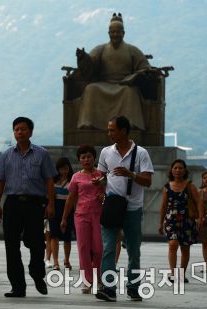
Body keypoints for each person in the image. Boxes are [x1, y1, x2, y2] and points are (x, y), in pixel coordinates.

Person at [0, 116, 56, 298]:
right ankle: (17, 287)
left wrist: (51, 203)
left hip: (34, 204)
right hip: (12, 203)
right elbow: (0, 181)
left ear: (30, 132)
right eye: (16, 130)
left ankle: (37, 274)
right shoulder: (6, 155)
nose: (19, 132)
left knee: (36, 244)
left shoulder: (41, 154)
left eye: (23, 129)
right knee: (11, 246)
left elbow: (49, 180)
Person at [96, 116, 154, 302]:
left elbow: (147, 181)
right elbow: (102, 176)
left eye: (112, 130)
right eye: (109, 129)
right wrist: (99, 182)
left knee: (133, 250)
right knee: (108, 249)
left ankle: (133, 287)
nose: (109, 133)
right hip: (112, 205)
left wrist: (131, 174)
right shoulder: (106, 152)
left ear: (123, 130)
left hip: (132, 207)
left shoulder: (141, 153)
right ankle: (109, 288)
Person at [76, 13, 151, 131]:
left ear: (123, 33)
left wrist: (137, 75)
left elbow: (145, 67)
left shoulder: (132, 50)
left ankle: (129, 124)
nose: (115, 34)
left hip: (124, 85)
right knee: (91, 89)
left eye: (118, 32)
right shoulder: (101, 49)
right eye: (112, 32)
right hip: (104, 83)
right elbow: (91, 65)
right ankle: (88, 123)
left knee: (131, 92)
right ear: (109, 33)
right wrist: (83, 58)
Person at [61, 145, 105, 294]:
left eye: (89, 156)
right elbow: (70, 198)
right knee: (83, 248)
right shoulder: (76, 177)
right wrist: (64, 218)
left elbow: (108, 195)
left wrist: (103, 197)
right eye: (83, 157)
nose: (86, 160)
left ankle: (97, 276)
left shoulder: (101, 175)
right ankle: (87, 281)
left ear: (94, 158)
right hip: (81, 215)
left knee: (98, 249)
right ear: (79, 160)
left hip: (98, 215)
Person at [158, 159, 203, 282]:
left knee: (185, 247)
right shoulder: (167, 187)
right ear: (171, 171)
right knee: (172, 244)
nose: (177, 170)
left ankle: (182, 273)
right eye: (175, 168)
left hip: (187, 221)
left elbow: (198, 202)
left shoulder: (190, 186)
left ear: (185, 170)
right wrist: (160, 222)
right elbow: (163, 206)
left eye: (180, 168)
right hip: (171, 220)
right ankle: (172, 273)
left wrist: (200, 217)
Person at [49, 157, 75, 271]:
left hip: (68, 208)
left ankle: (67, 259)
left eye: (66, 168)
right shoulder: (53, 181)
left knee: (67, 236)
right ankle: (55, 261)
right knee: (54, 235)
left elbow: (74, 198)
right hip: (55, 208)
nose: (64, 171)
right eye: (61, 169)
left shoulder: (72, 181)